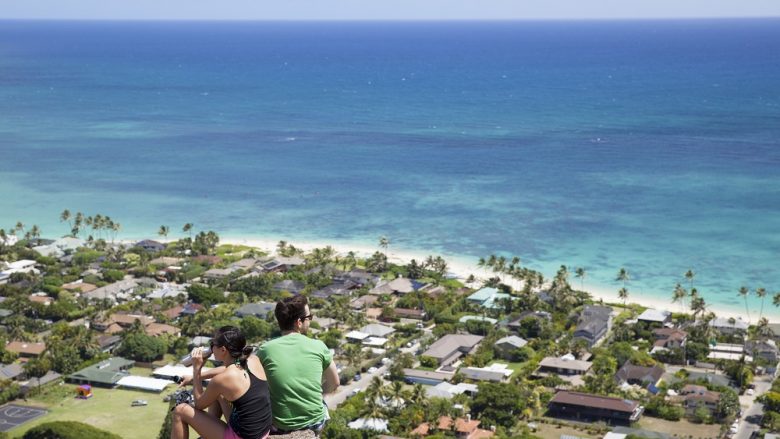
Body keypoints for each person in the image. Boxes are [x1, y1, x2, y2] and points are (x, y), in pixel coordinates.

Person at [171, 326, 272, 439]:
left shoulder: (221, 380)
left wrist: (197, 370)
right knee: (217, 395)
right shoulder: (252, 359)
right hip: (262, 431)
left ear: (223, 350)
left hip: (243, 436)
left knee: (180, 411)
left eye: (212, 344)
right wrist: (193, 378)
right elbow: (227, 369)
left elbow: (199, 405)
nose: (211, 348)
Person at [258, 296, 339, 436]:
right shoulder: (319, 346)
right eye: (309, 317)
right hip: (314, 423)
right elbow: (335, 383)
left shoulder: (265, 350)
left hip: (280, 425)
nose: (310, 320)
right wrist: (320, 395)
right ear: (299, 322)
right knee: (322, 409)